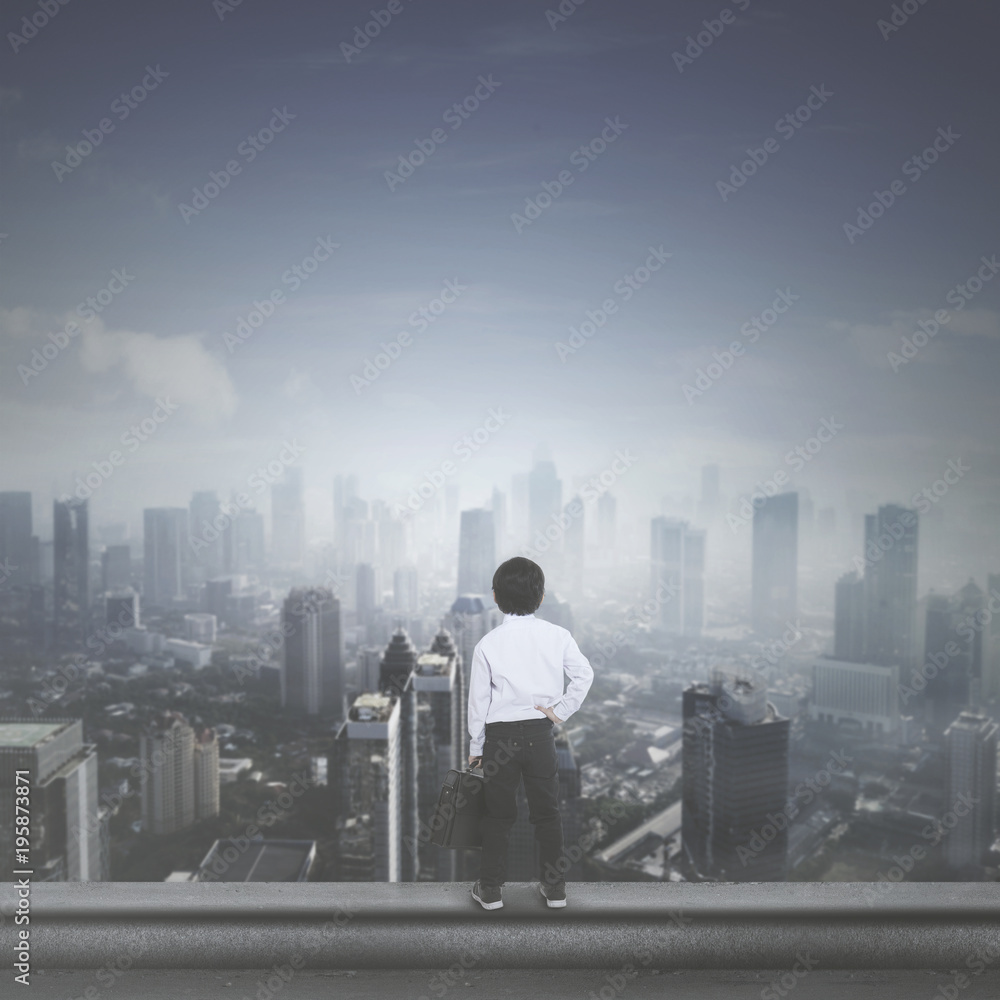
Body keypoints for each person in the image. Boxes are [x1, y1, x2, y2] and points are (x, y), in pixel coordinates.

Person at [467, 556, 594, 910]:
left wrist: (476, 746)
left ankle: (491, 890)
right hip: (540, 735)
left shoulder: (487, 644)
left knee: (498, 816)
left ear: (495, 597)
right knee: (548, 814)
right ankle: (555, 889)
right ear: (540, 597)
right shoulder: (558, 636)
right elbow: (585, 676)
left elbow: (478, 702)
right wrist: (560, 713)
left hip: (499, 740)